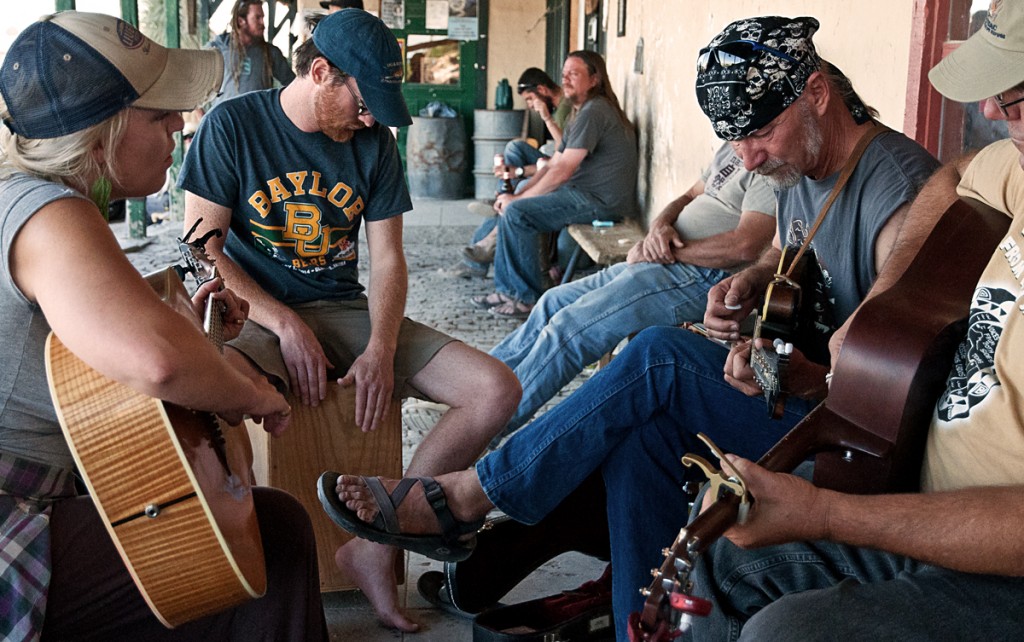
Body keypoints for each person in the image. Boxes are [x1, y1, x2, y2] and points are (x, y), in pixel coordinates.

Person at [318, 15, 942, 641]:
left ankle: (468, 497)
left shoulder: (900, 194)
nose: (750, 157)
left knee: (657, 358)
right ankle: (639, 631)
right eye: (738, 141)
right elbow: (785, 252)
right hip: (792, 394)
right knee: (636, 438)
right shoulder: (802, 168)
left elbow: (897, 393)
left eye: (762, 134)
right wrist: (749, 287)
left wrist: (805, 375)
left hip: (849, 441)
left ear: (817, 93)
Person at [671, 3, 1024, 639]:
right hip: (921, 495)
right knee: (720, 551)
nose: (994, 111)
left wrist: (828, 517)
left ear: (817, 95)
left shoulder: (886, 178)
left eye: (1017, 91)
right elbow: (957, 172)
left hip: (997, 561)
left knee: (781, 632)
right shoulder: (1016, 168)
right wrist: (877, 304)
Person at [178, 9, 520, 632]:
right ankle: (253, 579)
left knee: (494, 390)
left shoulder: (375, 143)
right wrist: (284, 324)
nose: (373, 119)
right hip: (253, 312)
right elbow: (203, 252)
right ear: (320, 73)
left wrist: (382, 346)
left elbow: (389, 258)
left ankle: (377, 545)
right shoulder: (233, 125)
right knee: (211, 401)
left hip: (342, 308)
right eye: (365, 103)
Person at [0, 11, 326, 640]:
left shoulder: (23, 194)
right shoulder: (51, 213)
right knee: (275, 535)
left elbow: (90, 367)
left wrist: (201, 337)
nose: (181, 126)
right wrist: (251, 393)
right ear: (102, 133)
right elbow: (158, 364)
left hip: (42, 494)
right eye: (159, 115)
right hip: (16, 521)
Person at [487, 142, 776, 439]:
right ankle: (477, 389)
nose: (733, 136)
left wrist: (668, 252)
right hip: (663, 260)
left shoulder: (764, 159)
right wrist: (659, 228)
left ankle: (486, 424)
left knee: (572, 327)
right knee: (553, 301)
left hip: (703, 275)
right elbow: (690, 195)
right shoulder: (731, 146)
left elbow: (745, 246)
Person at [472, 50, 639, 318]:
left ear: (595, 79)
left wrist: (518, 201)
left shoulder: (595, 111)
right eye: (564, 75)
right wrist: (519, 192)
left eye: (575, 74)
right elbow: (552, 163)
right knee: (513, 206)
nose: (566, 79)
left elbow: (562, 170)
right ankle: (507, 291)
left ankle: (526, 298)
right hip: (583, 194)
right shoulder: (581, 112)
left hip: (600, 203)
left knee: (518, 213)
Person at [205, 0, 296, 112]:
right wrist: (202, 119)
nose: (263, 23)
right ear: (241, 21)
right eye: (257, 18)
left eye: (263, 17)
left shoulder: (270, 53)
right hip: (224, 124)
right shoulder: (217, 48)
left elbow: (293, 85)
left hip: (256, 123)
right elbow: (192, 84)